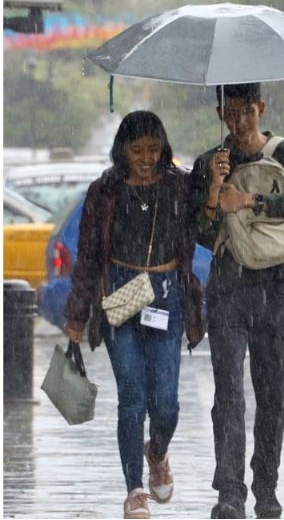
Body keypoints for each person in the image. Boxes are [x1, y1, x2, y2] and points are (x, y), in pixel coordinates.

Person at [64, 111, 205, 519]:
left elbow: (209, 219)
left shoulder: (180, 186)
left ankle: (156, 452)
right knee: (132, 397)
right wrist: (77, 316)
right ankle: (134, 489)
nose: (146, 158)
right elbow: (88, 256)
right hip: (120, 296)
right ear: (122, 150)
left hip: (167, 296)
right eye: (137, 150)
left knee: (167, 403)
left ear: (164, 149)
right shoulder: (104, 191)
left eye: (153, 150)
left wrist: (212, 182)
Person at [191, 83, 284, 519]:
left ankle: (266, 486)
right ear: (221, 112)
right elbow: (203, 236)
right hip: (228, 287)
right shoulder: (209, 162)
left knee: (271, 392)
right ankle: (230, 491)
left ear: (261, 109)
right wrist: (213, 190)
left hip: (279, 286)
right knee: (227, 393)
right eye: (231, 112)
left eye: (248, 112)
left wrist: (250, 199)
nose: (240, 122)